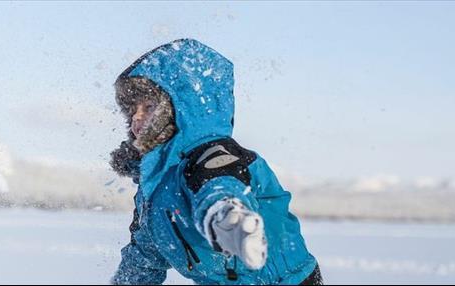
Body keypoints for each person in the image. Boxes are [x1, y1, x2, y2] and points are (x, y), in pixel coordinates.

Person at [109, 39, 322, 285]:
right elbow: (144, 256)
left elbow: (218, 186)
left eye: (148, 106)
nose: (137, 118)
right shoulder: (155, 185)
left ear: (180, 107)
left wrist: (228, 219)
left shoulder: (211, 154)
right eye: (132, 110)